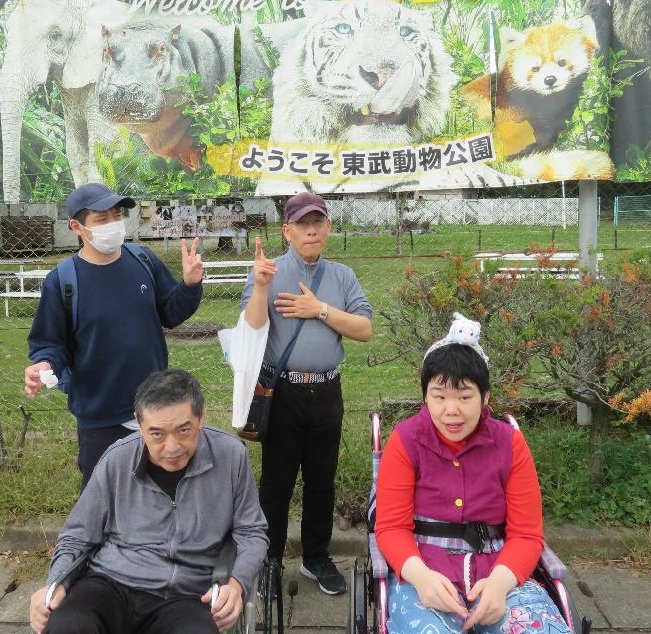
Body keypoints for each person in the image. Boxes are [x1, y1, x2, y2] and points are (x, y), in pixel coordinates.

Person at [29, 369, 269, 634]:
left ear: (201, 416)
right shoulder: (117, 459)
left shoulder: (231, 456)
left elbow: (252, 531)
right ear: (139, 423)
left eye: (184, 430)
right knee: (67, 625)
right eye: (156, 434)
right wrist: (55, 583)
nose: (172, 447)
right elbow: (76, 535)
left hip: (188, 595)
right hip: (111, 584)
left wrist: (236, 584)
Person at [375, 317, 573, 634]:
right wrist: (421, 577)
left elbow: (526, 534)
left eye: (464, 397)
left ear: (485, 397)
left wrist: (500, 583)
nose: (451, 409)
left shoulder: (509, 444)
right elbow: (391, 528)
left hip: (500, 571)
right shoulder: (406, 441)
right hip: (425, 572)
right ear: (425, 396)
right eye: (439, 396)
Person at [24, 183, 204, 488]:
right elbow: (50, 342)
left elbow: (171, 313)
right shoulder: (63, 281)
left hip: (155, 410)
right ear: (77, 227)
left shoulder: (143, 261)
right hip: (100, 415)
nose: (113, 224)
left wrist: (189, 285)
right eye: (102, 219)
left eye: (117, 215)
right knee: (104, 498)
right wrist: (45, 363)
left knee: (161, 493)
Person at [242, 192, 372, 596]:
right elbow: (251, 328)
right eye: (302, 223)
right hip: (283, 393)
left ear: (328, 227)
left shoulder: (342, 276)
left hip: (327, 392)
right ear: (287, 231)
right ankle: (270, 561)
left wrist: (320, 309)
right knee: (276, 482)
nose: (311, 230)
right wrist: (260, 288)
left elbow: (364, 329)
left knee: (321, 480)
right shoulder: (268, 271)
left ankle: (316, 557)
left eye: (318, 222)